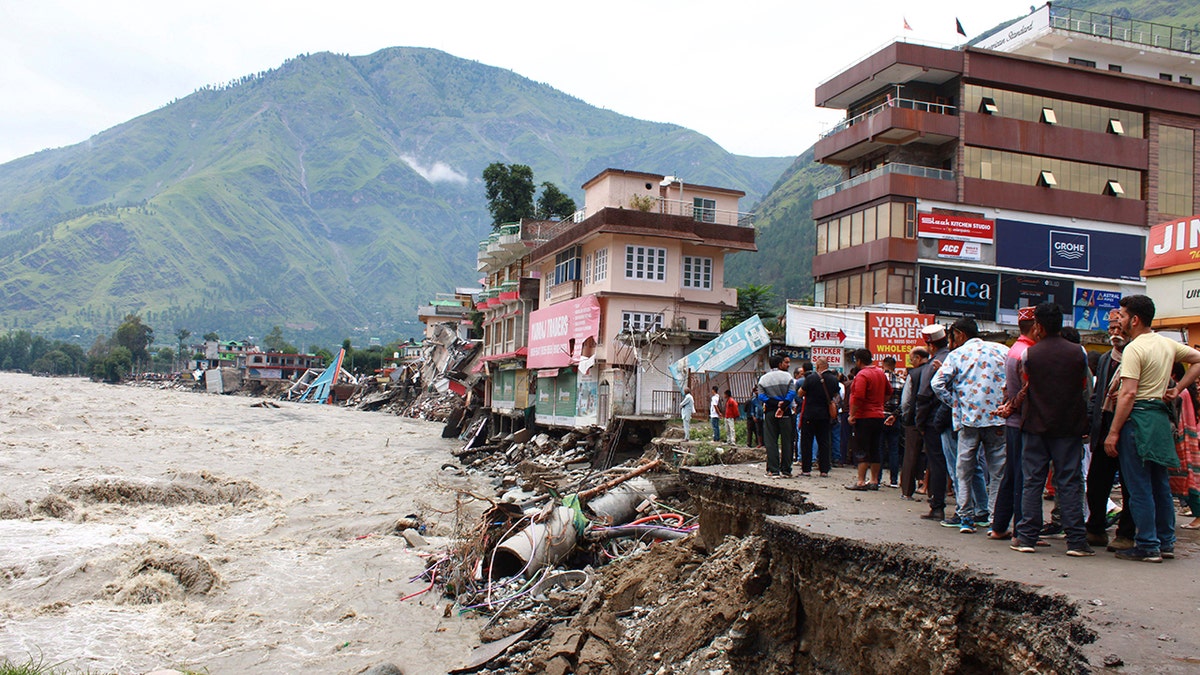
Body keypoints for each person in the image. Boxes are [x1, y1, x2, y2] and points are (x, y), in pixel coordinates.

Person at [1104, 294, 1200, 562]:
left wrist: (1113, 432)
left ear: (1134, 320)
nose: (1118, 320)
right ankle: (1165, 541)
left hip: (1138, 420)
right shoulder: (1166, 344)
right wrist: (1177, 389)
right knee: (1160, 485)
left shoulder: (1134, 349)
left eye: (1121, 316)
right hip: (1159, 420)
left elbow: (1128, 394)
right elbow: (1198, 360)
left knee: (1139, 487)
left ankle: (1147, 544)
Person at [1008, 302, 1094, 556]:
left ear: (1039, 326)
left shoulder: (1029, 355)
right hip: (1068, 427)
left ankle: (1026, 537)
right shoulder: (1079, 352)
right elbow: (1085, 390)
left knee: (1033, 481)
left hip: (1035, 425)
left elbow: (1027, 387)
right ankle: (1076, 541)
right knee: (1069, 482)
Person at [932, 317, 1007, 534]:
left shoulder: (957, 355)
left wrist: (955, 403)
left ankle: (966, 518)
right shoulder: (1002, 350)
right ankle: (995, 520)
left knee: (963, 471)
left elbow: (937, 384)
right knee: (997, 472)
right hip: (996, 419)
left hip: (968, 421)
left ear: (960, 335)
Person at [1085, 309, 1136, 550]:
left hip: (1129, 429)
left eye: (1119, 328)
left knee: (1130, 485)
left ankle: (1126, 534)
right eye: (1112, 329)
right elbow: (1097, 397)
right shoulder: (1106, 359)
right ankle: (1095, 528)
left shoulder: (1138, 355)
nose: (1115, 333)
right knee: (1096, 484)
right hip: (1104, 428)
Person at [990, 306, 1037, 542]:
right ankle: (1021, 528)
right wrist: (1010, 407)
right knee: (1022, 475)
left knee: (1012, 473)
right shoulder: (1027, 353)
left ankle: (999, 525)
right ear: (1036, 327)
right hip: (1022, 420)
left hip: (1013, 421)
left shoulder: (1014, 350)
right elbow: (1027, 391)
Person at [916, 324, 952, 522]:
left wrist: (919, 423)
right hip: (957, 418)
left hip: (934, 420)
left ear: (930, 346)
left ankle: (937, 506)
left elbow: (923, 396)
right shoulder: (955, 359)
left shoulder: (933, 365)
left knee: (937, 462)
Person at [845, 348, 890, 490]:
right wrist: (880, 403)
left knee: (862, 449)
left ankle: (860, 481)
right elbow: (889, 392)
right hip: (878, 415)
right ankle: (874, 480)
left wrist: (852, 414)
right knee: (875, 448)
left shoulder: (862, 375)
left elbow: (858, 396)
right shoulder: (880, 373)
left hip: (864, 416)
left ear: (858, 361)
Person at [1169, 363, 1200, 531]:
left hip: (1183, 438)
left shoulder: (1182, 392)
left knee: (1190, 478)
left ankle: (1198, 514)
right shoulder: (1185, 391)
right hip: (1185, 437)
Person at [798, 358, 839, 476]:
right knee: (824, 442)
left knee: (807, 442)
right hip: (825, 415)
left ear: (818, 366)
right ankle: (824, 470)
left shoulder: (811, 378)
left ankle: (806, 469)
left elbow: (800, 393)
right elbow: (835, 395)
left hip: (810, 414)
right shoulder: (833, 379)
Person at [758, 354, 796, 478]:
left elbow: (761, 396)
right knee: (787, 441)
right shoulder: (788, 377)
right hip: (785, 412)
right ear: (780, 364)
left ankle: (773, 470)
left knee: (771, 441)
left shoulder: (763, 379)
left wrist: (774, 403)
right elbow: (792, 393)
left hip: (770, 411)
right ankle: (786, 470)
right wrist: (783, 404)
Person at [900, 347, 930, 500]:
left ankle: (907, 491)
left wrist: (905, 416)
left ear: (918, 358)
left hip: (914, 420)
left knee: (911, 455)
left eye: (912, 359)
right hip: (933, 420)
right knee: (934, 457)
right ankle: (933, 492)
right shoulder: (935, 369)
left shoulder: (914, 374)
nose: (911, 363)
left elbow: (905, 401)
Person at [881, 356, 904, 488]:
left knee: (879, 447)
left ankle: (876, 479)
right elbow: (904, 402)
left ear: (883, 364)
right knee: (893, 449)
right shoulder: (901, 381)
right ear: (894, 365)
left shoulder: (879, 379)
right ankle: (894, 480)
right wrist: (895, 415)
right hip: (894, 417)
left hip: (880, 415)